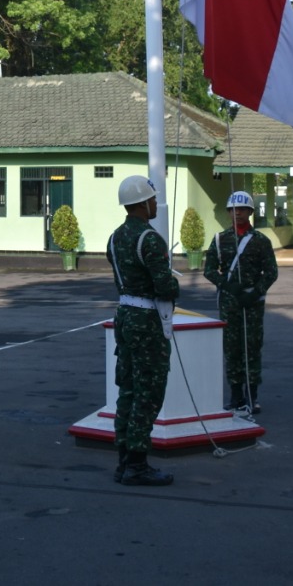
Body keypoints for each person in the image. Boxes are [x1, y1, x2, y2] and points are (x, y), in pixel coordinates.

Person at [106, 174, 179, 487]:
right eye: (152, 199)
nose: (154, 204)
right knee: (148, 392)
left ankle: (124, 459)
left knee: (129, 389)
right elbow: (165, 286)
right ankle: (137, 463)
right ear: (141, 202)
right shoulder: (149, 239)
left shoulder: (114, 237)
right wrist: (174, 283)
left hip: (124, 314)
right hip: (147, 319)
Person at [203, 191, 279, 415]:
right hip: (229, 302)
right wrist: (227, 286)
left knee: (252, 348)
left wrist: (255, 292)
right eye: (233, 209)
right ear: (228, 212)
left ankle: (252, 397)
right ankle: (235, 395)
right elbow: (209, 270)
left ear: (250, 212)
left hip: (253, 303)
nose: (238, 213)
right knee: (232, 349)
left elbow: (271, 272)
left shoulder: (261, 241)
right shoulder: (219, 240)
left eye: (243, 209)